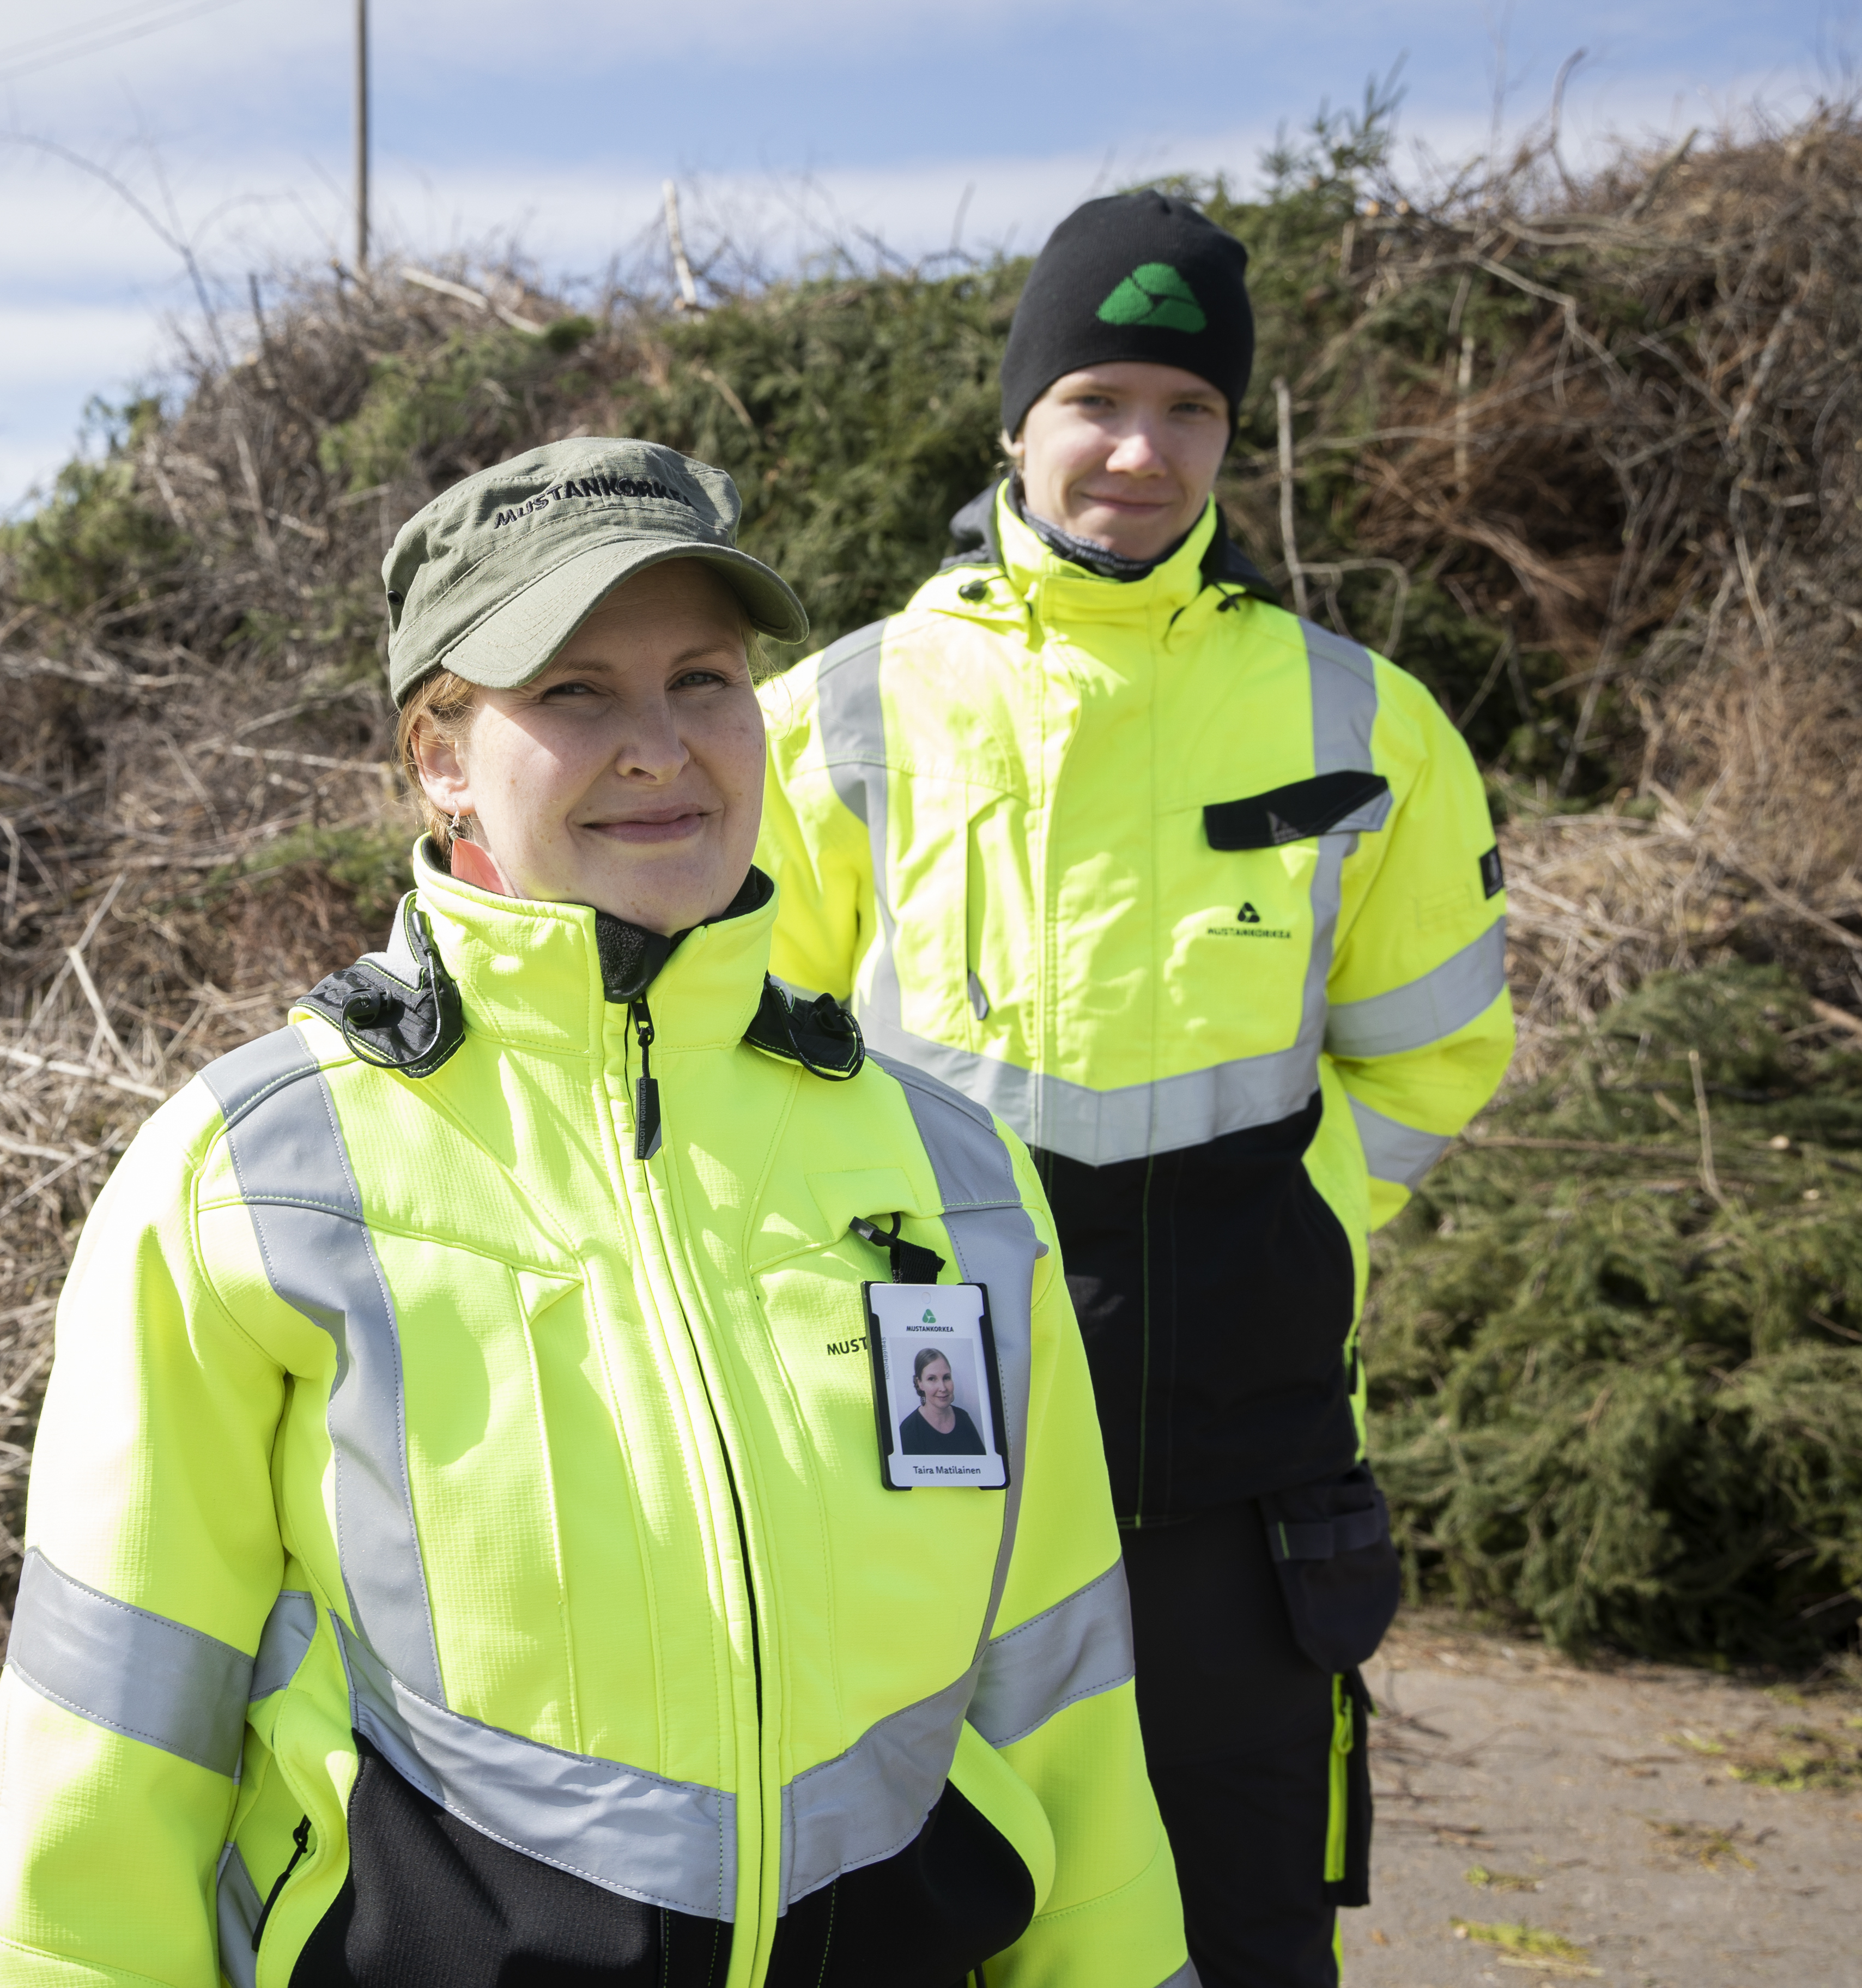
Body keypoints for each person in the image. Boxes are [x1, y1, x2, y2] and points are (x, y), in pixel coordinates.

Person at [0, 438, 1194, 1988]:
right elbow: (107, 1748)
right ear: (440, 754)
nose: (661, 748)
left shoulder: (949, 1173)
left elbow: (1062, 1698)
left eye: (704, 679)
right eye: (572, 695)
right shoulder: (257, 1175)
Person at [756, 191, 1514, 1987]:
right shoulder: (833, 712)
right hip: (923, 1448)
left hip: (1233, 1457)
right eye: (1097, 397)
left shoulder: (1363, 718)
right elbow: (741, 1060)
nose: (1139, 450)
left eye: (1191, 413)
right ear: (1016, 418)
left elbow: (1436, 1044)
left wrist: (1305, 1220)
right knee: (902, 1915)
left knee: (1232, 1921)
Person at [899, 1348, 986, 1455]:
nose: (943, 1388)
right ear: (920, 1383)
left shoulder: (963, 1417)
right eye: (932, 1379)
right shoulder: (909, 1431)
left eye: (946, 1378)